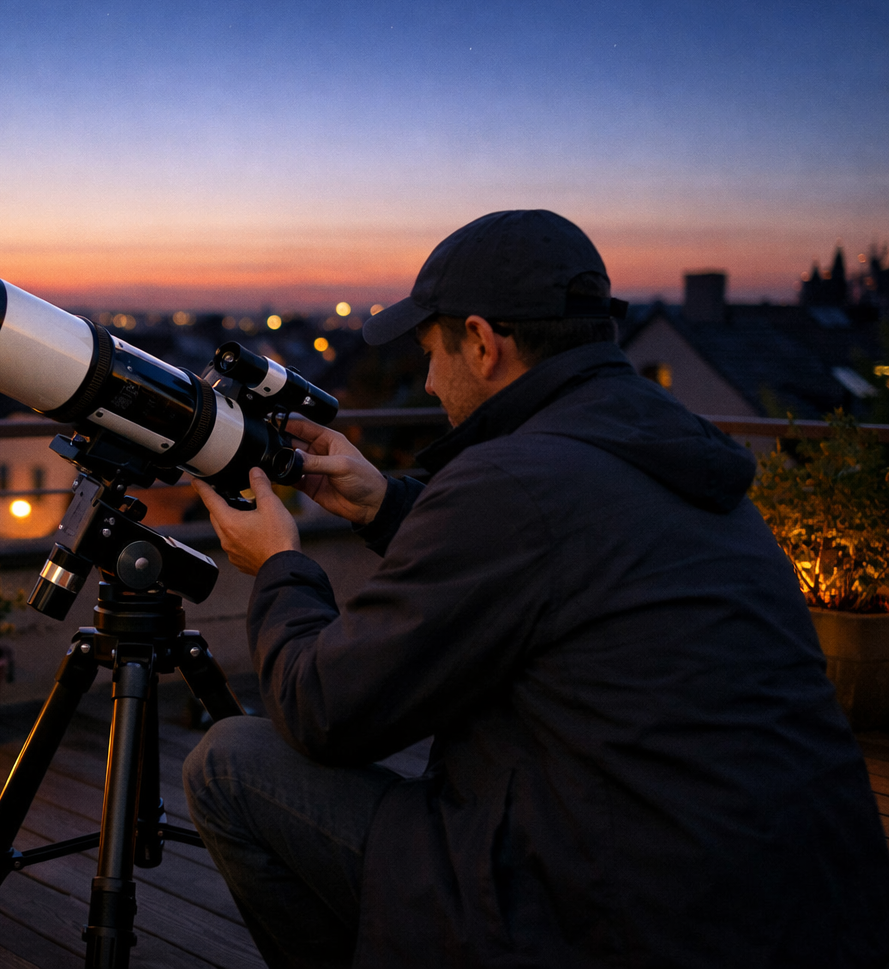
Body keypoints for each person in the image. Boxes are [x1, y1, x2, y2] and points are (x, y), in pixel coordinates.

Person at [183, 210, 889, 968]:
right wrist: (381, 501)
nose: (425, 381)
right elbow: (555, 547)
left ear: (484, 343)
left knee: (228, 764)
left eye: (430, 352)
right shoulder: (662, 445)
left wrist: (280, 564)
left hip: (620, 920)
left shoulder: (512, 480)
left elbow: (322, 709)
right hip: (798, 902)